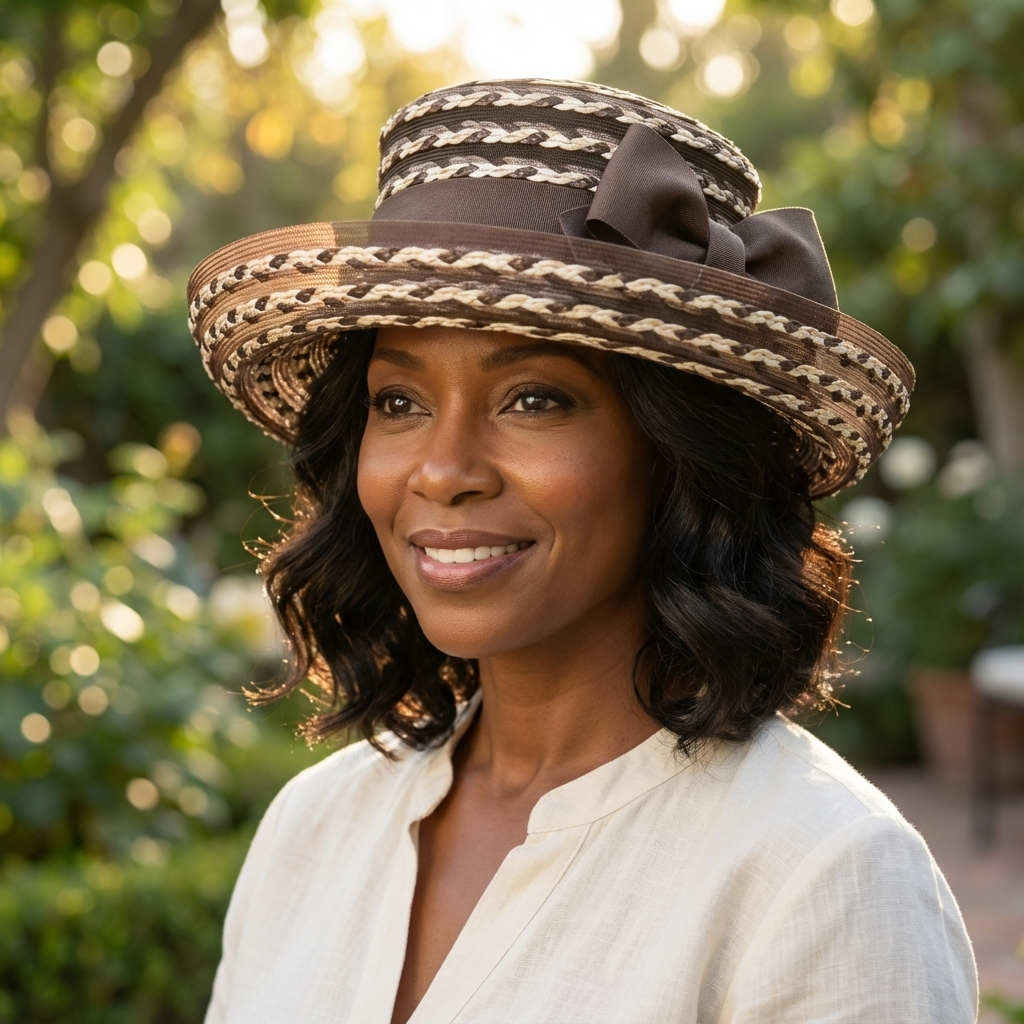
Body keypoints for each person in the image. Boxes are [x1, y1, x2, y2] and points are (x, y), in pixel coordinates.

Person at [190, 79, 977, 1023]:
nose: (443, 470)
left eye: (534, 399)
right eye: (398, 402)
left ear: (676, 452)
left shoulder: (821, 877)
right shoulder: (312, 828)